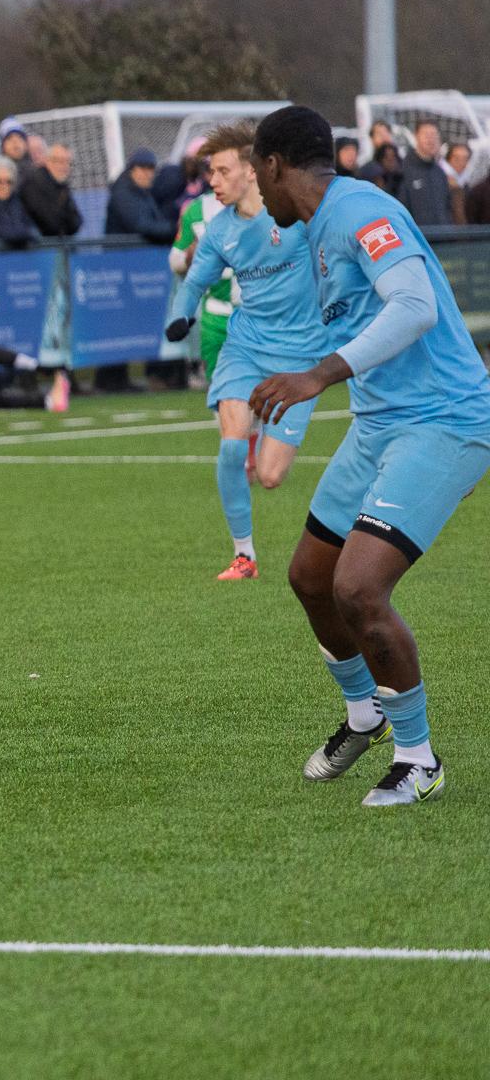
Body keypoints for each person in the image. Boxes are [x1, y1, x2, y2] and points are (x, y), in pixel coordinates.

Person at [247, 104, 490, 808]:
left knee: (359, 588)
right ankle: (367, 713)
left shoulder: (358, 210)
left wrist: (318, 376)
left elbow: (413, 305)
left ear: (273, 165)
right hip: (381, 423)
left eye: (257, 178)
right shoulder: (322, 226)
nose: (260, 195)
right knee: (310, 579)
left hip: (443, 419)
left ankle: (418, 759)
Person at [163, 122, 327, 582]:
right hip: (246, 345)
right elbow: (193, 280)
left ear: (251, 172)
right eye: (209, 172)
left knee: (271, 475)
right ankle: (244, 556)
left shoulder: (297, 218)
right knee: (233, 448)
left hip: (300, 356)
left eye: (220, 171)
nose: (211, 181)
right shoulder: (218, 231)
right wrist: (181, 315)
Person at [168, 165, 232, 384]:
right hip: (216, 314)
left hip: (260, 316)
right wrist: (188, 255)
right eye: (212, 171)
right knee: (224, 399)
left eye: (224, 171)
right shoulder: (197, 210)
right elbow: (176, 262)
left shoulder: (267, 207)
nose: (215, 179)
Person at [105, 148, 177, 242]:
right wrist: (175, 229)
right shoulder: (123, 194)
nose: (148, 174)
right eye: (142, 169)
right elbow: (141, 226)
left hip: (135, 251)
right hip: (121, 253)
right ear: (131, 170)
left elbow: (156, 221)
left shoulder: (143, 192)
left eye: (151, 169)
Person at [19, 142, 82, 238]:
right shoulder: (34, 182)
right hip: (41, 247)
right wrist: (64, 226)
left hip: (58, 245)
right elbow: (49, 223)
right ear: (47, 161)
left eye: (68, 162)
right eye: (60, 161)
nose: (65, 166)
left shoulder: (62, 185)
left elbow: (77, 221)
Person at [395, 120, 452, 226]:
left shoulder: (439, 173)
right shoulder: (402, 171)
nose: (431, 140)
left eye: (434, 135)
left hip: (443, 238)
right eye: (426, 135)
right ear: (416, 137)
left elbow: (447, 208)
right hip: (417, 239)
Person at [0, 158, 38, 247]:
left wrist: (24, 234)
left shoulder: (16, 200)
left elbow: (34, 231)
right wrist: (23, 235)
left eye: (9, 182)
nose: (3, 186)